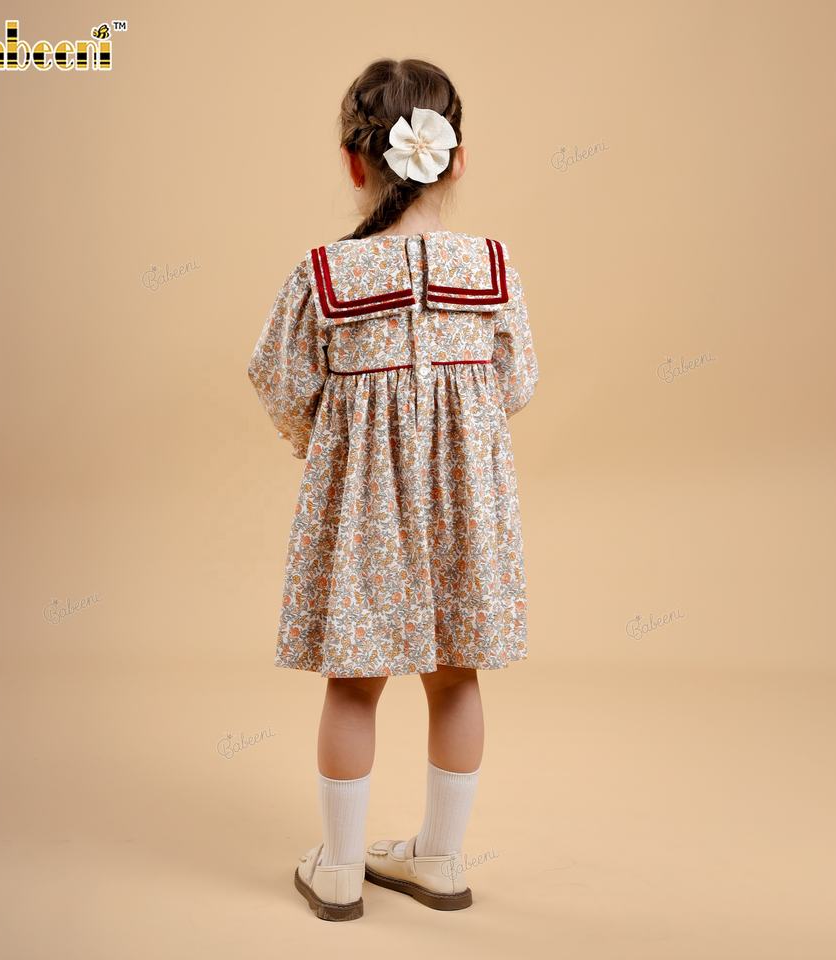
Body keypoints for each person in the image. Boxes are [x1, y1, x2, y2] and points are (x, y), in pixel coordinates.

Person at [246, 57, 539, 922]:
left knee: (353, 682)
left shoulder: (325, 275)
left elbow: (278, 381)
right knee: (455, 676)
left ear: (353, 161)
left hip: (363, 512)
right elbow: (516, 382)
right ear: (457, 158)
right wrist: (458, 439)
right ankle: (441, 859)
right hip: (465, 512)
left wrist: (332, 443)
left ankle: (339, 870)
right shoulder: (490, 267)